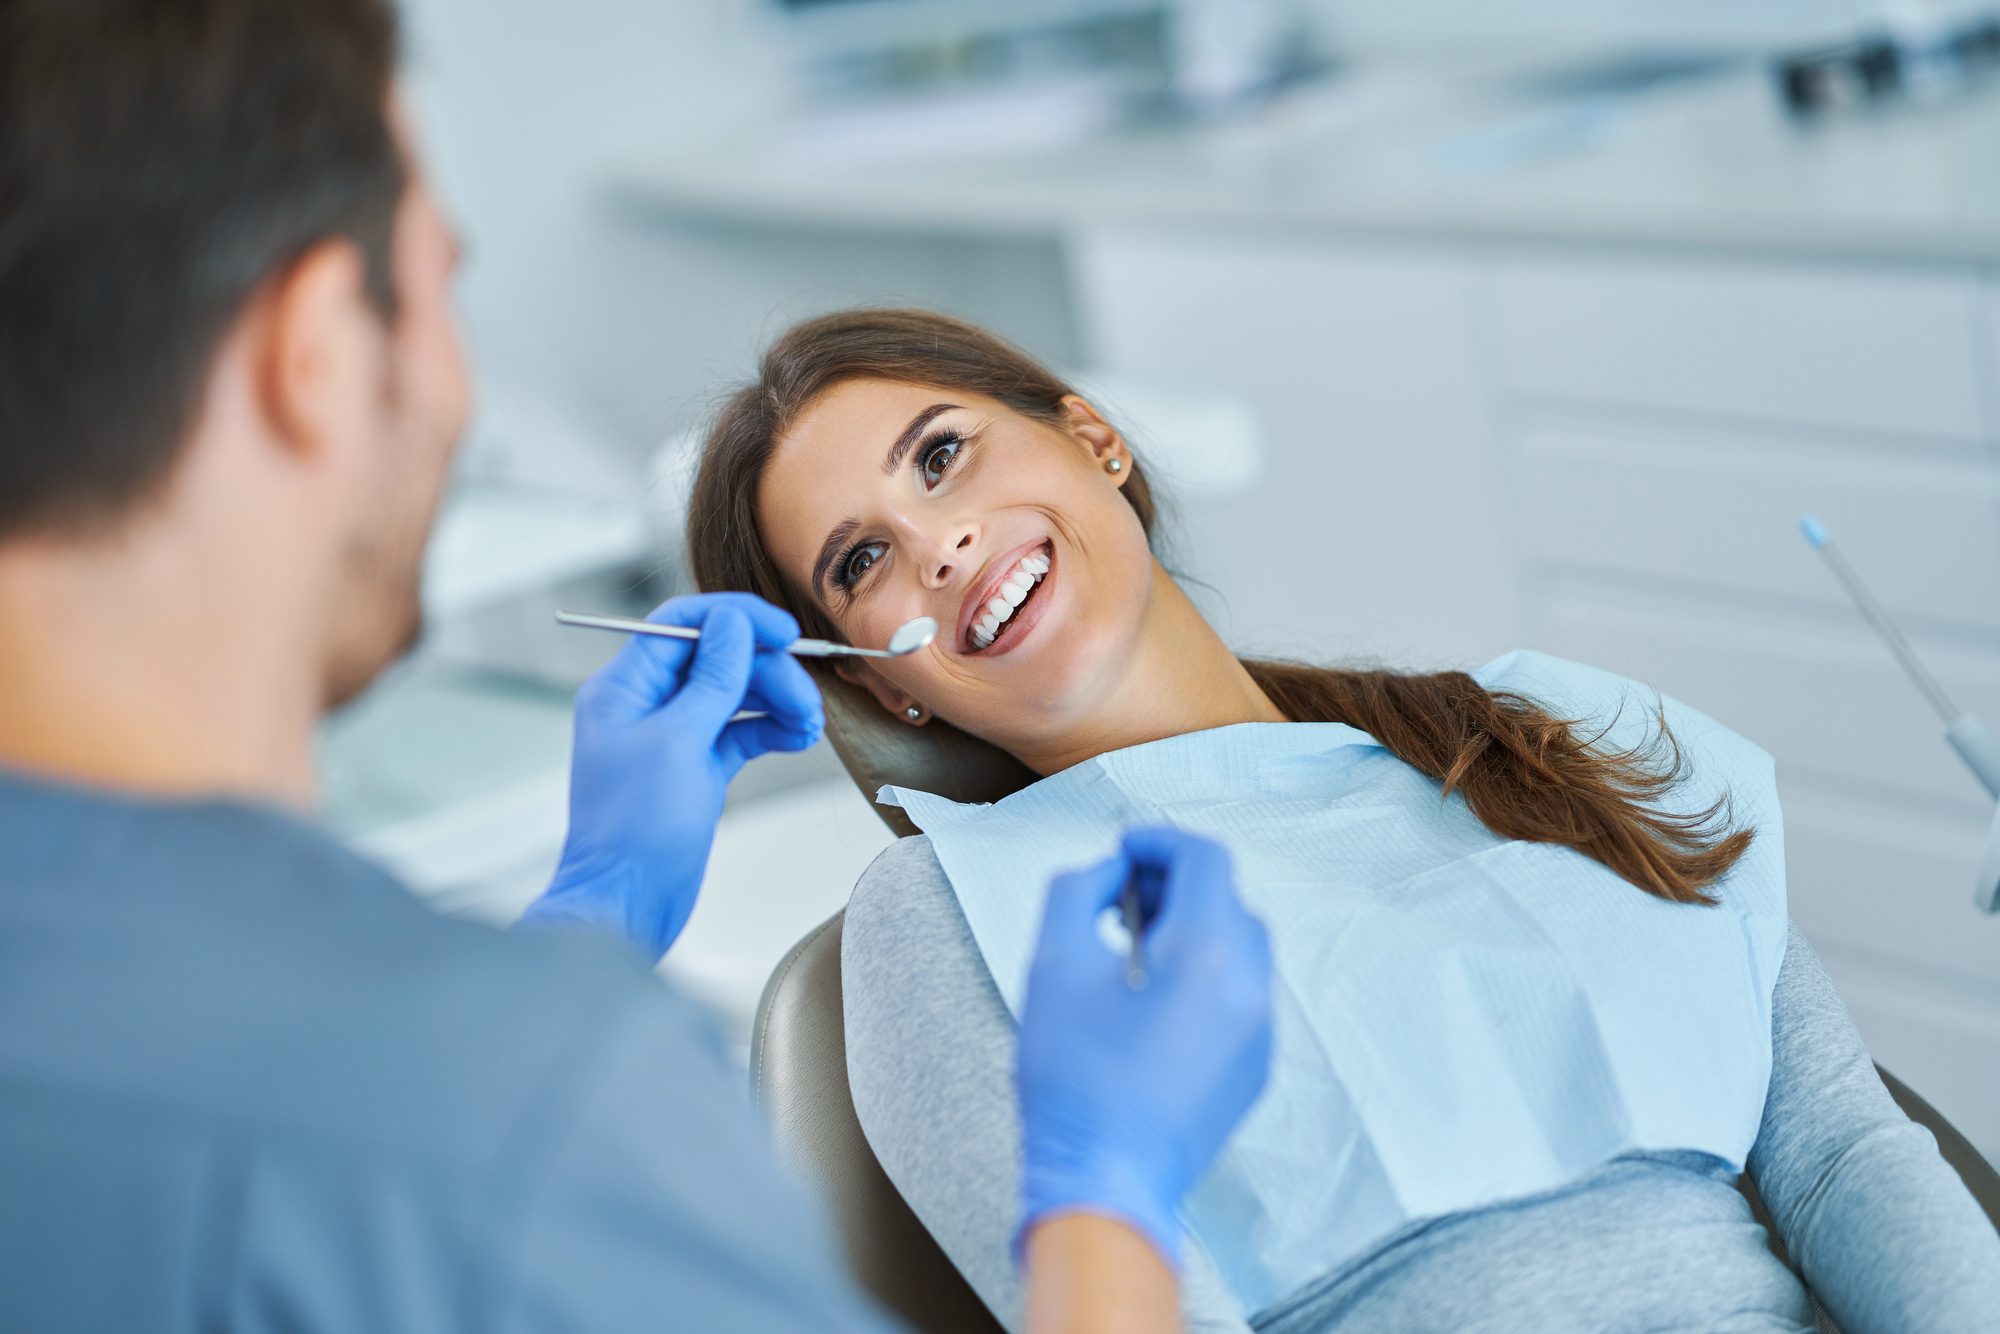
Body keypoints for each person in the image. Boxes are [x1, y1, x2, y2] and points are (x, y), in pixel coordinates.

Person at [0, 5, 1274, 1331]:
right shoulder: (542, 1129)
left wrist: (595, 912)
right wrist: (1104, 1201)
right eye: (443, 284)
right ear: (311, 352)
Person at [684, 307, 2000, 1334]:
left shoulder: (1544, 737)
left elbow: (1840, 1159)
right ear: (876, 679)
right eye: (860, 562)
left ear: (1094, 436)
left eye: (944, 455)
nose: (942, 546)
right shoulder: (951, 917)